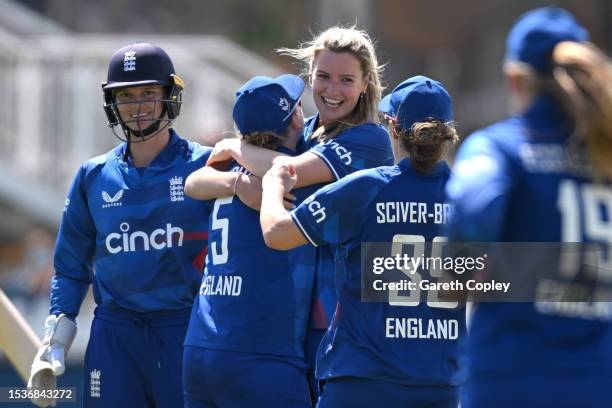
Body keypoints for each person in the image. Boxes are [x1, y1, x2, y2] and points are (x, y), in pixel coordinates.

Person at [205, 26, 394, 398]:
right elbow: (200, 175)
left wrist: (233, 144)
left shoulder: (369, 139)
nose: (332, 90)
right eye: (323, 77)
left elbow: (288, 171)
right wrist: (234, 183)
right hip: (296, 324)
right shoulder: (304, 132)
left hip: (347, 323)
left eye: (345, 79)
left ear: (366, 82)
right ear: (310, 76)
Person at [260, 75, 464, 408]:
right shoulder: (467, 196)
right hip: (438, 382)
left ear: (393, 129)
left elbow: (276, 234)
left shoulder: (368, 188)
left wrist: (273, 184)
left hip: (362, 380)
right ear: (446, 135)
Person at [27, 43, 211, 408]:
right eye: (126, 96)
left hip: (184, 330)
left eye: (148, 93)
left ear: (169, 96)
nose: (138, 106)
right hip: (114, 334)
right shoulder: (92, 176)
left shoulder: (205, 166)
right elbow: (70, 264)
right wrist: (55, 339)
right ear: (113, 103)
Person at [445, 7, 612, 408]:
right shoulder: (606, 157)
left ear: (514, 79)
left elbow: (471, 209)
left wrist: (457, 280)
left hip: (511, 381)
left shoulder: (500, 147)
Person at [182, 74, 316, 408]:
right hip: (262, 352)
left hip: (201, 347)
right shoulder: (296, 175)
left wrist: (234, 161)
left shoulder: (224, 163)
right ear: (296, 118)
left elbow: (193, 182)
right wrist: (240, 181)